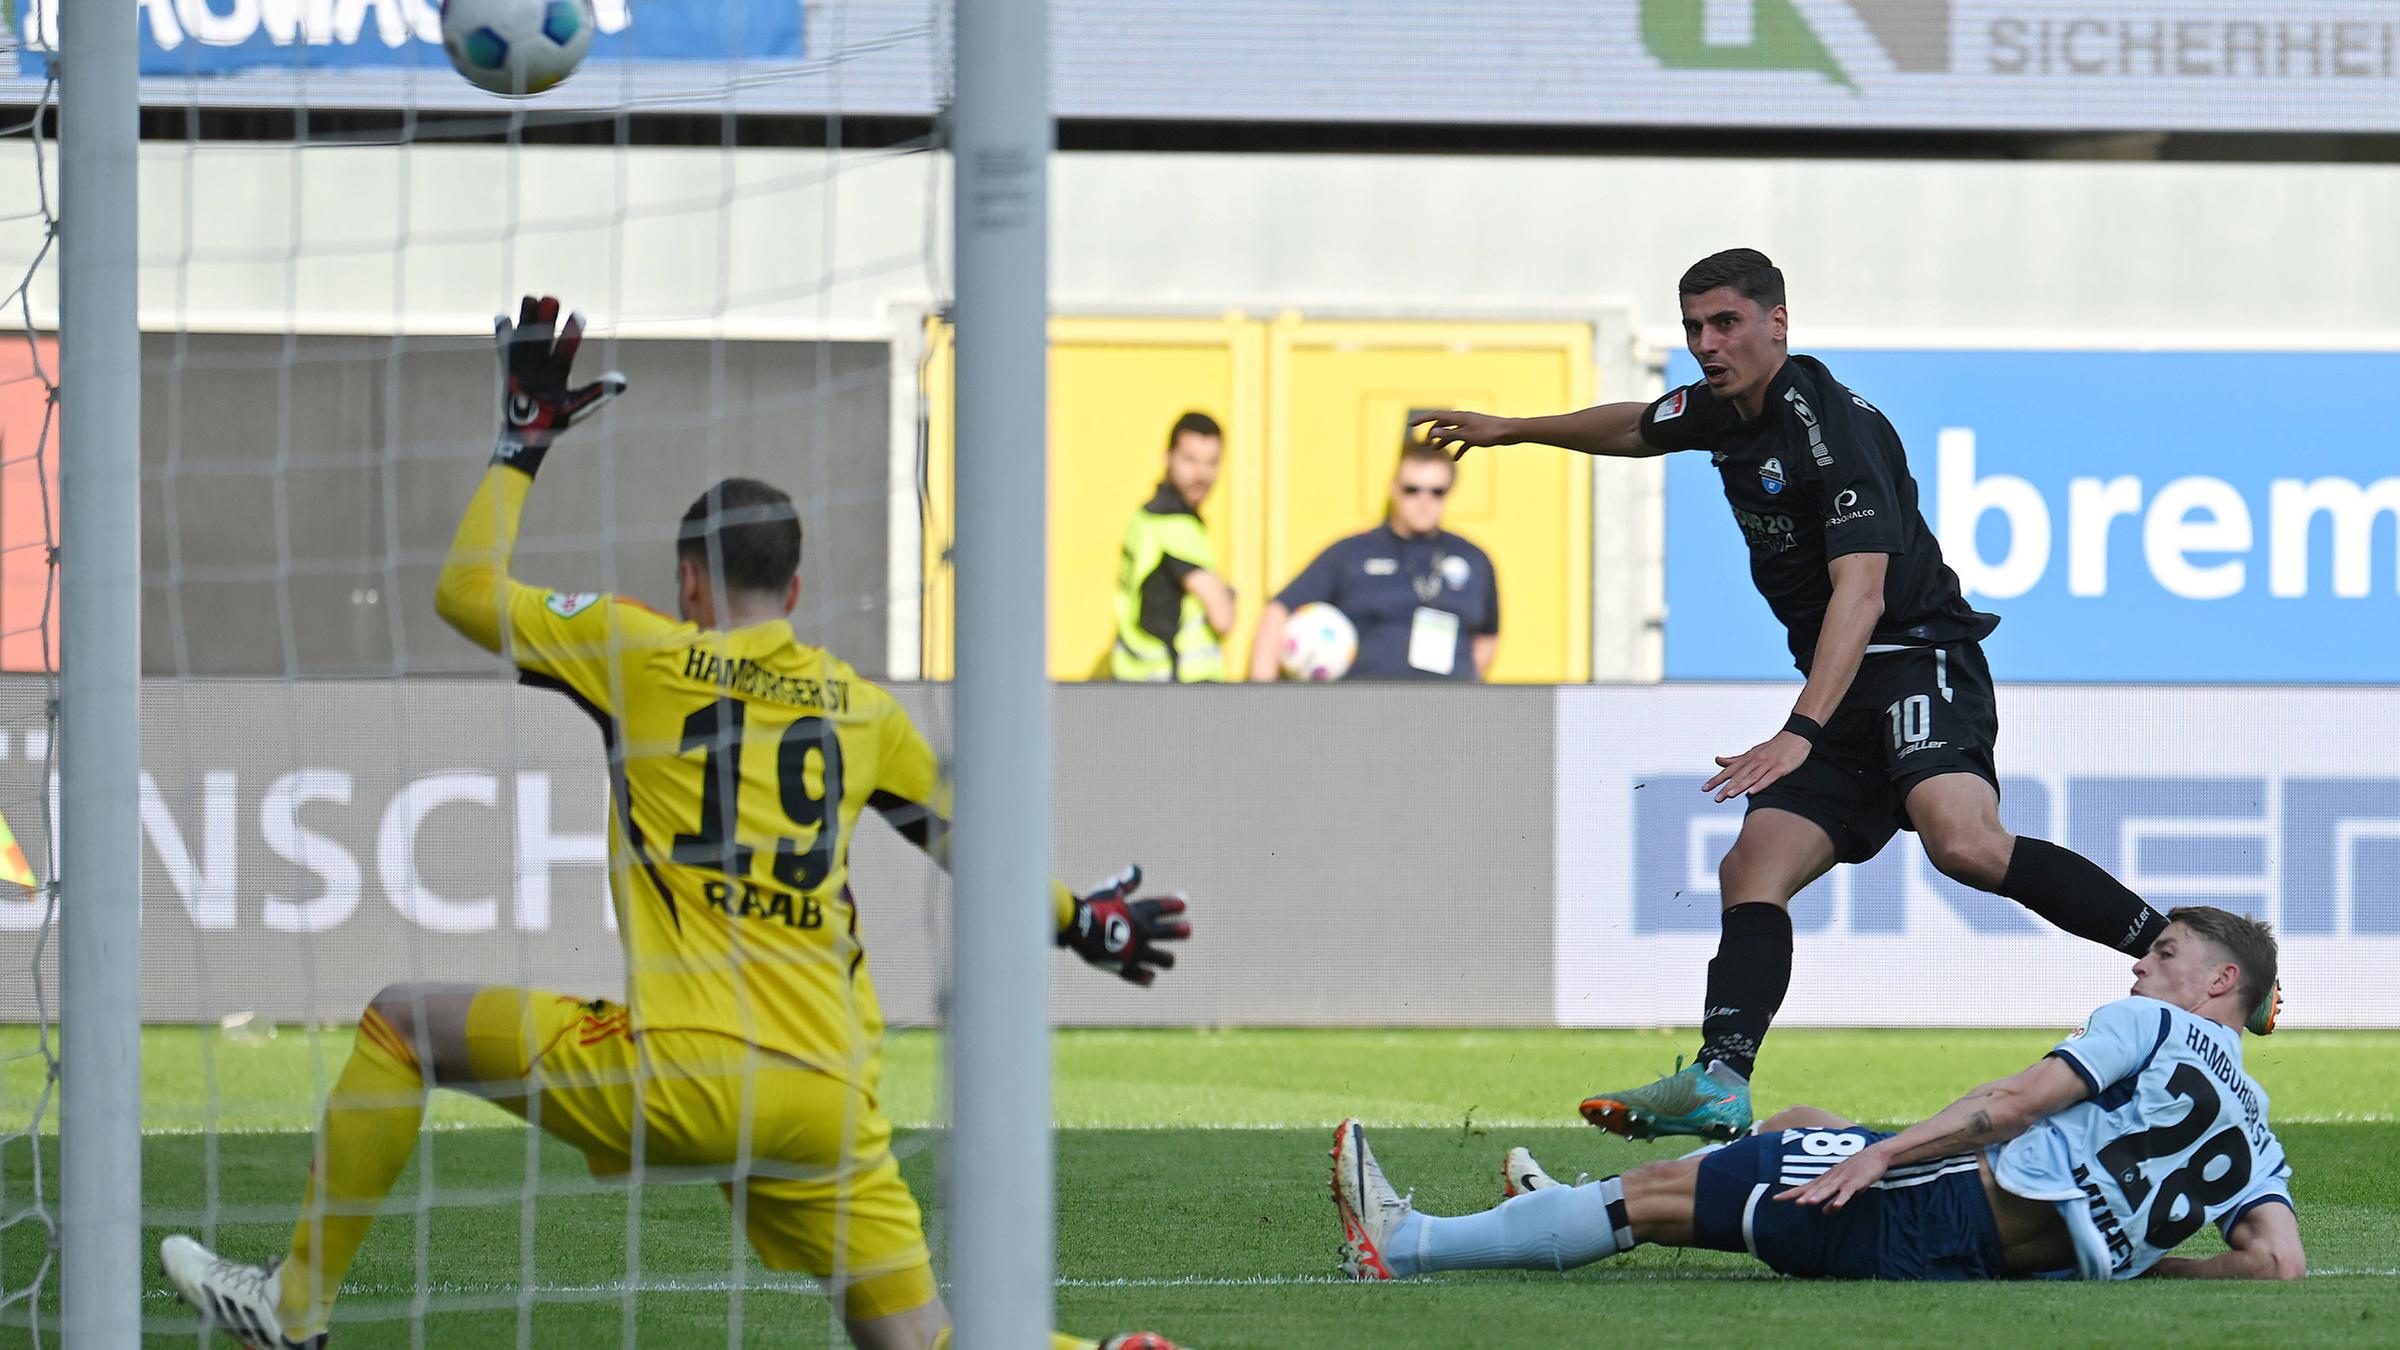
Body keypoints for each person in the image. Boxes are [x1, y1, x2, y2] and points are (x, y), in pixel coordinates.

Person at [159, 297, 1190, 1350]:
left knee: (402, 1021)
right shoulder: (862, 711)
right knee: (922, 1342)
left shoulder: (638, 652)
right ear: (795, 586)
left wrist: (523, 445)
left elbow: (465, 592)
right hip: (829, 1089)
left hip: (689, 1074)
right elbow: (969, 842)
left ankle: (293, 1307)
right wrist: (1080, 921)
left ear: (689, 579)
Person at [1415, 249, 2278, 1142]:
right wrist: (1513, 429)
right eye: (1694, 330)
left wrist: (1800, 729)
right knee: (1753, 867)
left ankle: (2182, 954)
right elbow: (1637, 424)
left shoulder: (1832, 431)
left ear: (1777, 324)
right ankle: (1719, 1078)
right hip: (1844, 684)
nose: (1707, 346)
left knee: (1965, 844)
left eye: (1726, 325)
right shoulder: (1717, 408)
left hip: (1915, 657)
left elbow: (1861, 595)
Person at [1333, 906, 2301, 1287]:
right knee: (1803, 1126)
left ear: (2221, 985)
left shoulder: (2151, 1025)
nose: (2140, 962)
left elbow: (2014, 1103)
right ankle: (1556, 1207)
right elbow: (2277, 1270)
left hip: (1943, 1202)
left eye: (2164, 952)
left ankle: (1407, 1245)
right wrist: (2131, 1267)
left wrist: (1879, 1157)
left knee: (1665, 1194)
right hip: (1986, 1251)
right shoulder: (2255, 1133)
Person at [1250, 424, 1498, 682]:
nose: (1424, 500)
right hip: (1368, 707)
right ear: (1394, 488)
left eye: (1437, 491)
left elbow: (1488, 638)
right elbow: (1278, 612)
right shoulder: (1351, 553)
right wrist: (1261, 703)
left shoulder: (1475, 559)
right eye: (1412, 489)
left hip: (1450, 709)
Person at [1110, 411, 1237, 682]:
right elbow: (1222, 617)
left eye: (1212, 462)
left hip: (1138, 677)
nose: (1202, 474)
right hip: (1176, 688)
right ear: (1168, 458)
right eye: (1190, 460)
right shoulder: (1176, 527)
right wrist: (1229, 595)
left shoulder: (1145, 517)